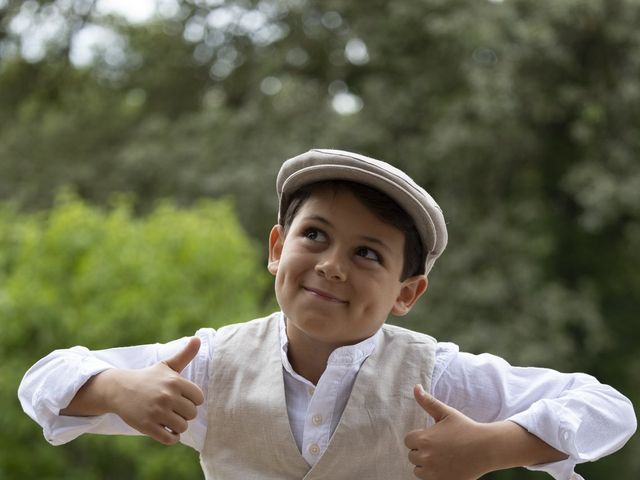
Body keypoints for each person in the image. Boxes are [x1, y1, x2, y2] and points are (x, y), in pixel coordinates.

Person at [19, 149, 636, 479]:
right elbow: (43, 380)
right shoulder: (207, 367)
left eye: (368, 253)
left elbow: (609, 409)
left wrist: (496, 446)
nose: (334, 265)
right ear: (277, 249)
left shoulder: (435, 382)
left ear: (406, 293)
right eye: (315, 236)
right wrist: (116, 387)